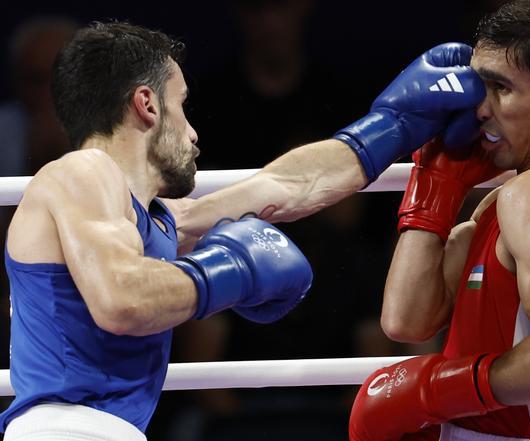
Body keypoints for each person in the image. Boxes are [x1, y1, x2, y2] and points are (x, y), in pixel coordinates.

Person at [0, 20, 486, 440]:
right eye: (182, 105)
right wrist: (228, 270)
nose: (192, 132)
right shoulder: (82, 172)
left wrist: (395, 124)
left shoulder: (149, 220)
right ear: (147, 105)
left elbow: (284, 185)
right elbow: (123, 299)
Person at [349, 1, 530, 440]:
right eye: (480, 86)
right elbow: (406, 320)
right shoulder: (514, 199)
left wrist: (434, 392)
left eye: (501, 88)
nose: (480, 108)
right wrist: (436, 188)